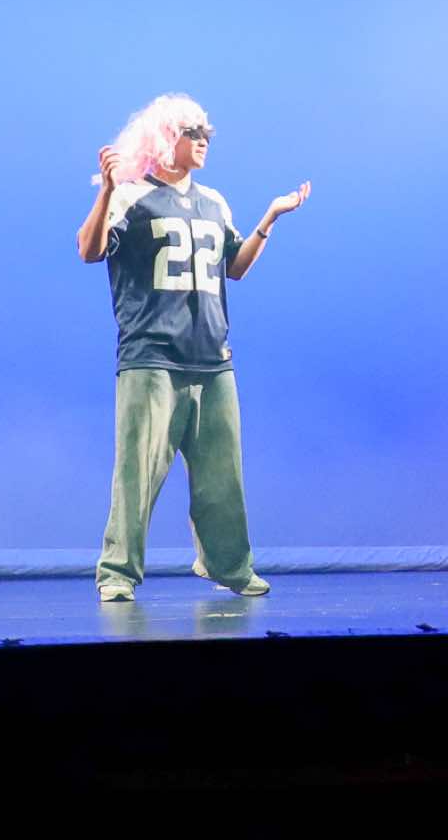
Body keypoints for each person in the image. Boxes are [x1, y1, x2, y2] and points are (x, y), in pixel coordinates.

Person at [75, 94, 309, 601]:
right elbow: (89, 250)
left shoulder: (214, 202)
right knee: (137, 473)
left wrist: (269, 218)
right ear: (165, 138)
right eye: (192, 132)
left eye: (207, 133)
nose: (204, 140)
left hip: (212, 358)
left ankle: (231, 567)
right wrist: (107, 191)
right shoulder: (131, 196)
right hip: (152, 359)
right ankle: (117, 573)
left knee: (222, 477)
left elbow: (235, 267)